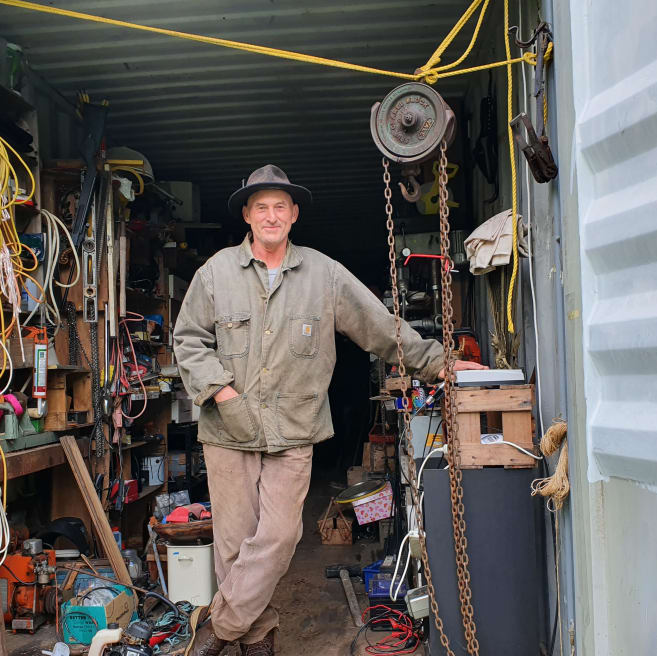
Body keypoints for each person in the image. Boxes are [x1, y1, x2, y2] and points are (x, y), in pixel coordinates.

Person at [173, 165, 485, 656]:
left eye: (280, 206)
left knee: (278, 537)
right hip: (227, 430)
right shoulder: (215, 274)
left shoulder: (324, 275)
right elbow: (188, 341)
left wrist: (440, 364)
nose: (271, 215)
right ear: (247, 216)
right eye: (261, 207)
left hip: (293, 430)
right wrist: (224, 393)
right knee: (234, 549)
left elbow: (380, 328)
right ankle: (259, 637)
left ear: (293, 214)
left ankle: (220, 629)